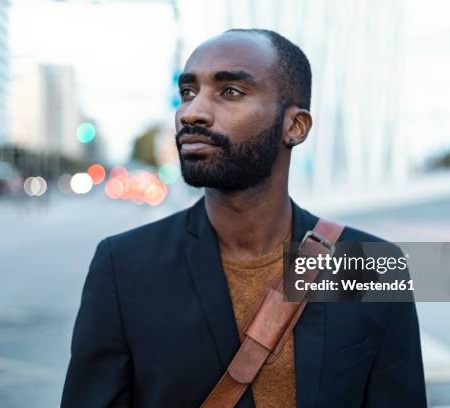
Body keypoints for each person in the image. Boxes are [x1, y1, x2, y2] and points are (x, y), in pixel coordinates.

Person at [61, 29, 427, 408]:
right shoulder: (124, 267)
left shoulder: (369, 265)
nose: (192, 112)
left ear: (295, 126)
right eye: (188, 92)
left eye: (230, 92)